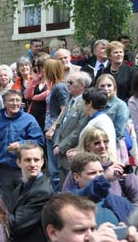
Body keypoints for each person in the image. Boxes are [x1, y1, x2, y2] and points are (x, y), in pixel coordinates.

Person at [0, 89, 44, 208]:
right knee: (5, 203)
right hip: (3, 170)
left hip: (23, 169)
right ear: (4, 103)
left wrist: (21, 144)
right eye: (11, 100)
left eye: (18, 100)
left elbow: (39, 141)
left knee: (24, 201)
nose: (15, 103)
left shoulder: (29, 120)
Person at [8, 143, 53, 242]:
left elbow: (16, 224)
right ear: (19, 162)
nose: (32, 164)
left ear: (42, 162)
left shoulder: (42, 191)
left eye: (36, 160)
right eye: (27, 160)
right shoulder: (19, 189)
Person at [63, 127, 138, 208]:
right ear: (87, 146)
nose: (103, 146)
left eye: (105, 141)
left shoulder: (119, 168)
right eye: (97, 143)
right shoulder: (77, 169)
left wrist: (127, 217)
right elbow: (66, 200)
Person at [69, 152, 134, 225]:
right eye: (92, 173)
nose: (99, 176)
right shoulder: (69, 202)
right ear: (76, 177)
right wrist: (104, 179)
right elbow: (85, 194)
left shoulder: (121, 202)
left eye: (101, 172)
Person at [53, 71, 91, 186]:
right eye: (67, 82)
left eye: (71, 82)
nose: (67, 85)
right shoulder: (71, 101)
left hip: (72, 154)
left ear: (82, 85)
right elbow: (61, 124)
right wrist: (56, 143)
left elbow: (79, 130)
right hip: (61, 154)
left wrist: (62, 146)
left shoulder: (85, 104)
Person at [43, 58, 69, 187]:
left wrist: (53, 128)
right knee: (52, 165)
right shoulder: (54, 86)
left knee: (55, 167)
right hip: (49, 128)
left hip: (54, 130)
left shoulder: (60, 87)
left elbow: (64, 110)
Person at [95, 73, 130, 162]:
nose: (106, 89)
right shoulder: (94, 105)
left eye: (109, 85)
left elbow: (119, 132)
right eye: (102, 86)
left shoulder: (120, 105)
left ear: (114, 87)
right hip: (95, 147)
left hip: (113, 147)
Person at [79, 87, 117, 159]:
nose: (81, 104)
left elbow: (108, 146)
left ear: (89, 103)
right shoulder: (96, 119)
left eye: (83, 101)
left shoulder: (102, 121)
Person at [25, 53, 51, 131]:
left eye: (43, 66)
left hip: (46, 115)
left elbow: (48, 93)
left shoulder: (52, 79)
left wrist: (35, 97)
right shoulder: (36, 80)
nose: (41, 69)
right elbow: (27, 96)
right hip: (34, 114)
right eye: (38, 67)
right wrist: (34, 81)